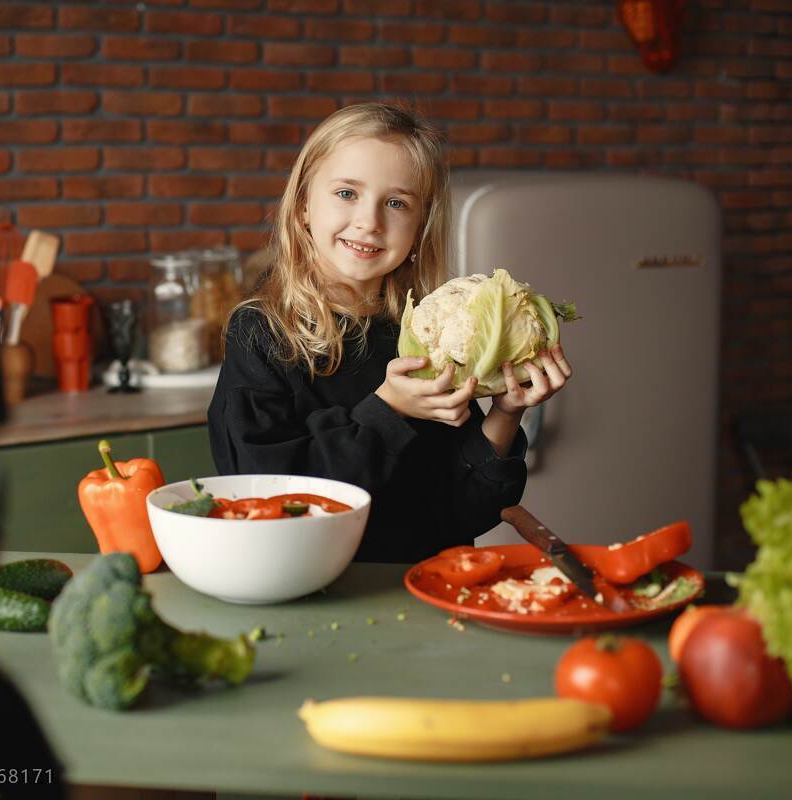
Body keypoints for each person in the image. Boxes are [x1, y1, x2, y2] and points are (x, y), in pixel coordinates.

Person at [207, 103, 573, 564]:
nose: (369, 221)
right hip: (312, 593)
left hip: (427, 590)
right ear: (303, 206)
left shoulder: (425, 339)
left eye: (397, 202)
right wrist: (389, 412)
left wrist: (505, 412)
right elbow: (268, 495)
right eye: (346, 193)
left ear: (420, 228)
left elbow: (465, 512)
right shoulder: (262, 333)